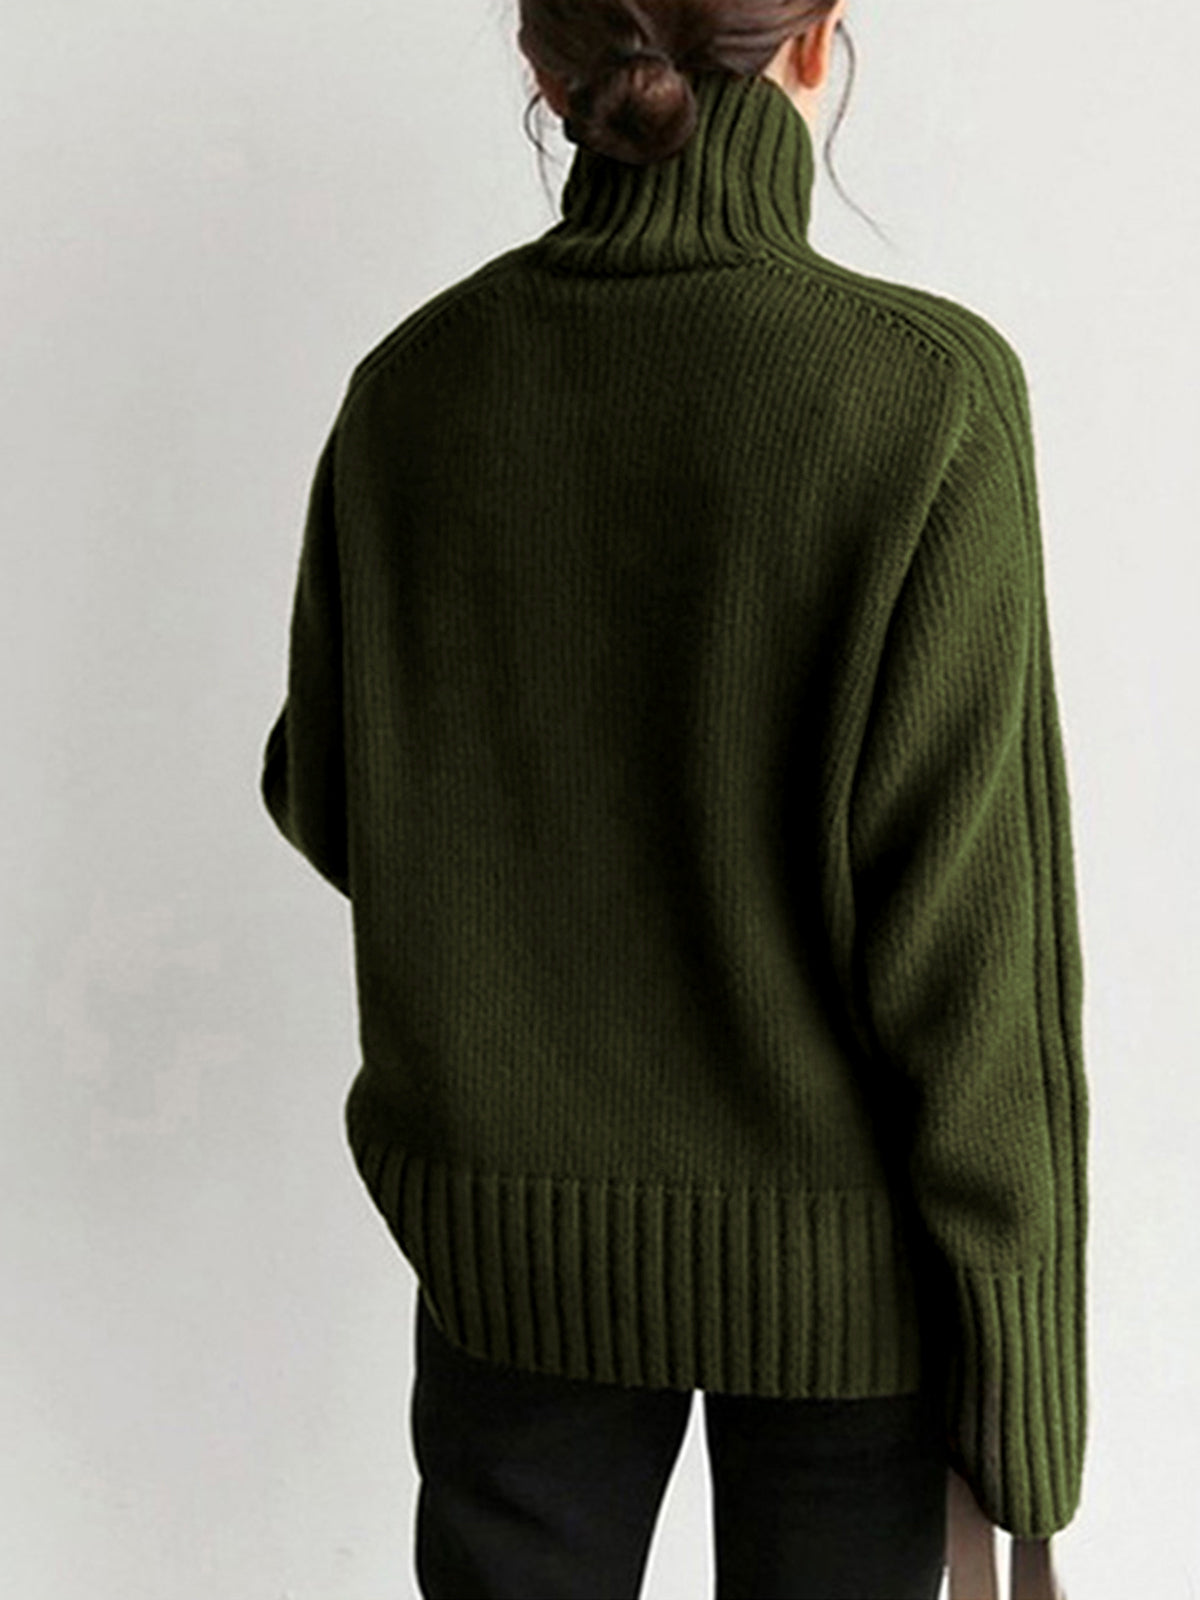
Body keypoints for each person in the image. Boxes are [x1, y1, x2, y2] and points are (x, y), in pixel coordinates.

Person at [259, 2, 1090, 1595]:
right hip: (850, 1293)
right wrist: (1027, 1400)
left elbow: (330, 793)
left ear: (542, 62)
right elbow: (975, 960)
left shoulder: (415, 387)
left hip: (508, 1259)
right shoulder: (923, 395)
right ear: (816, 43)